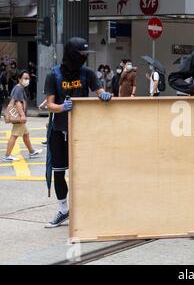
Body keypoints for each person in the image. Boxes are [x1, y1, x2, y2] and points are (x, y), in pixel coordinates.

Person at [44, 37, 112, 228]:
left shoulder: (87, 73)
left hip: (82, 132)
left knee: (83, 172)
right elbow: (49, 104)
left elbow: (98, 91)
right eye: (81, 54)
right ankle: (63, 209)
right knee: (59, 172)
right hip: (59, 131)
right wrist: (61, 107)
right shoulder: (54, 75)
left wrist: (103, 95)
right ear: (72, 55)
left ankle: (88, 208)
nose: (84, 58)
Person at [3, 71, 43, 162]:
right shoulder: (19, 89)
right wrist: (22, 115)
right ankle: (7, 155)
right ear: (19, 79)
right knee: (14, 135)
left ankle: (31, 151)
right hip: (19, 117)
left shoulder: (19, 88)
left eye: (28, 78)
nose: (27, 80)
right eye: (25, 78)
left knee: (26, 134)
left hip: (19, 116)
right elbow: (17, 103)